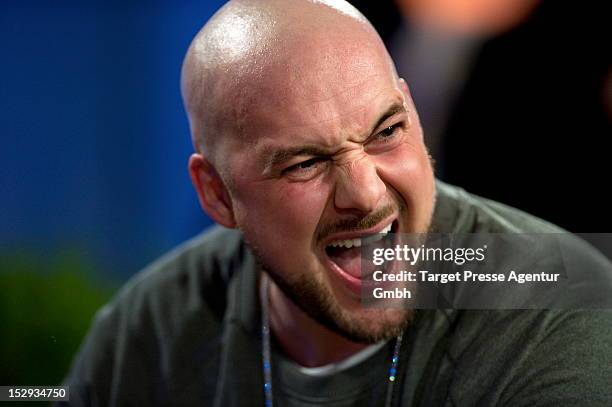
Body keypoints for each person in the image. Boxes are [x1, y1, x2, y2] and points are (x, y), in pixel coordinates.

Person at [61, 0, 612, 406]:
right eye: (304, 164)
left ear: (413, 112)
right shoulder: (149, 330)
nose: (367, 194)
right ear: (216, 194)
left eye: (387, 132)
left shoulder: (561, 311)